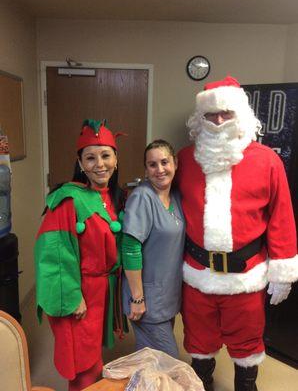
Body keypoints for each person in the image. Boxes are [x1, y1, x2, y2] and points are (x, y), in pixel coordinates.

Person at [176, 76, 298, 391]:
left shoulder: (267, 160)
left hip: (246, 275)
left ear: (240, 114)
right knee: (198, 340)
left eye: (225, 113)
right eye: (210, 115)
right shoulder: (185, 160)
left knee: (247, 343)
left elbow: (281, 215)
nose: (218, 121)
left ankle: (246, 385)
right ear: (199, 119)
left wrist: (282, 270)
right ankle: (201, 381)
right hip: (197, 274)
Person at [34, 119, 125, 391]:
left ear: (116, 159)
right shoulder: (67, 199)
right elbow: (53, 251)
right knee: (82, 363)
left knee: (93, 358)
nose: (100, 164)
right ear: (80, 162)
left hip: (101, 291)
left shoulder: (112, 197)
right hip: (79, 292)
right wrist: (72, 297)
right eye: (91, 157)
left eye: (106, 155)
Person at [121, 139, 185, 358]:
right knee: (168, 361)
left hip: (166, 295)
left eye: (164, 162)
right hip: (146, 298)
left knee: (152, 362)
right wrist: (137, 298)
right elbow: (130, 248)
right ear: (146, 170)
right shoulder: (142, 197)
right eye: (152, 165)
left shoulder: (175, 196)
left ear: (175, 163)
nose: (160, 170)